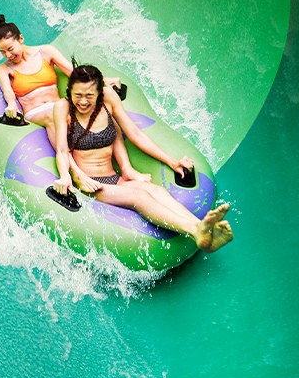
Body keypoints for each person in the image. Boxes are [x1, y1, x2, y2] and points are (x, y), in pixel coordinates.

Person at [50, 64, 233, 253]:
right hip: (90, 184)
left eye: (89, 96)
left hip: (115, 179)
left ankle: (201, 227)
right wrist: (67, 176)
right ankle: (195, 231)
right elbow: (62, 150)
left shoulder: (109, 99)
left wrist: (171, 161)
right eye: (77, 95)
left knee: (157, 191)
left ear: (99, 92)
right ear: (70, 91)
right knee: (139, 196)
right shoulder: (62, 107)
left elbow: (135, 133)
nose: (82, 102)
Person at [0, 14, 75, 126]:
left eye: (10, 49)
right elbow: (7, 91)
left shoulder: (46, 51)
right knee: (52, 117)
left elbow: (73, 72)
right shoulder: (3, 69)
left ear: (21, 39)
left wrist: (100, 80)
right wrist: (11, 104)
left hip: (57, 106)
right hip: (35, 113)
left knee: (67, 115)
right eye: (2, 52)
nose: (8, 55)